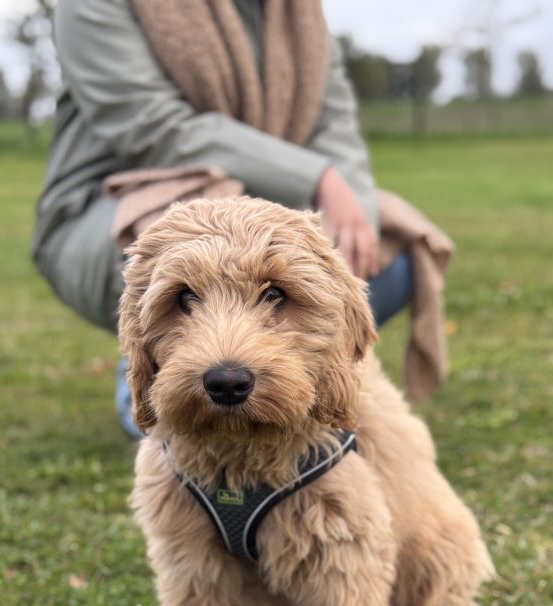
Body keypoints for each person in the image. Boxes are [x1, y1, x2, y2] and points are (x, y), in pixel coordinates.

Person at [33, 0, 415, 438]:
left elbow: (335, 126)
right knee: (189, 239)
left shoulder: (297, 11)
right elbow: (153, 125)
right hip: (110, 202)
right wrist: (318, 178)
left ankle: (304, 380)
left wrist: (348, 227)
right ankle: (161, 367)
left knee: (392, 252)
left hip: (269, 200)